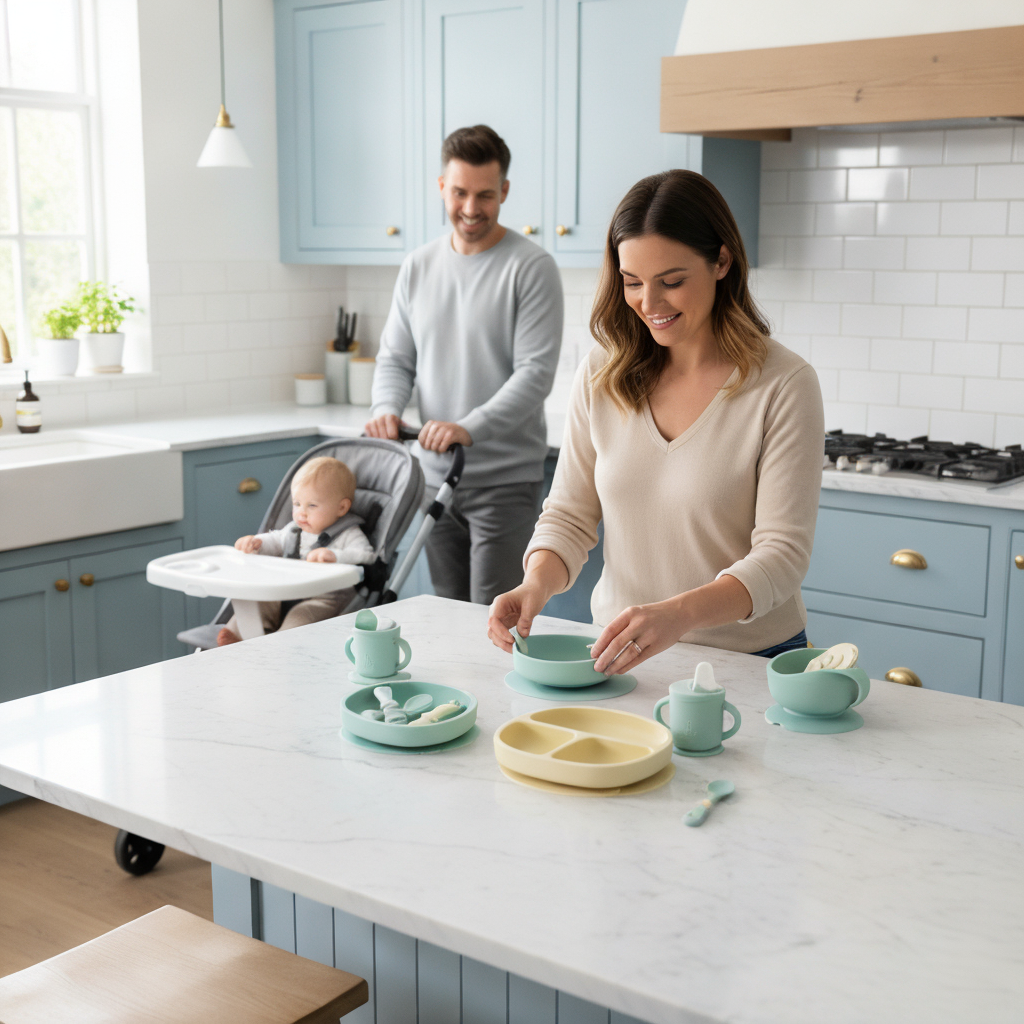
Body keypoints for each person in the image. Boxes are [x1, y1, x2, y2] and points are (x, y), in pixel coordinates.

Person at [487, 169, 825, 674]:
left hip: (752, 662)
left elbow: (782, 556)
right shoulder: (603, 373)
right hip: (624, 657)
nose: (649, 303)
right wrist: (535, 582)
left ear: (722, 262)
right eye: (632, 282)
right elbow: (570, 515)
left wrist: (678, 615)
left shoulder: (783, 384)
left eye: (671, 281)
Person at [364, 124, 563, 605]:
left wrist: (467, 428)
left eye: (485, 195)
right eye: (459, 193)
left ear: (505, 192)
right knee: (446, 616)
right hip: (433, 477)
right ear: (441, 187)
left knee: (493, 618)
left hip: (504, 482)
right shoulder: (418, 266)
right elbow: (395, 357)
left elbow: (534, 375)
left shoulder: (530, 267)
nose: (470, 209)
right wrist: (386, 406)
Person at [217, 457, 375, 645]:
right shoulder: (294, 530)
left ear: (341, 507)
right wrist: (257, 543)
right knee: (259, 601)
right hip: (288, 590)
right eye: (297, 503)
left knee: (301, 615)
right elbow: (275, 541)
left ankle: (283, 644)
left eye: (312, 505)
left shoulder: (348, 533)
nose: (301, 512)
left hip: (327, 597)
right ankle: (237, 635)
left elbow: (367, 555)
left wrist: (336, 556)